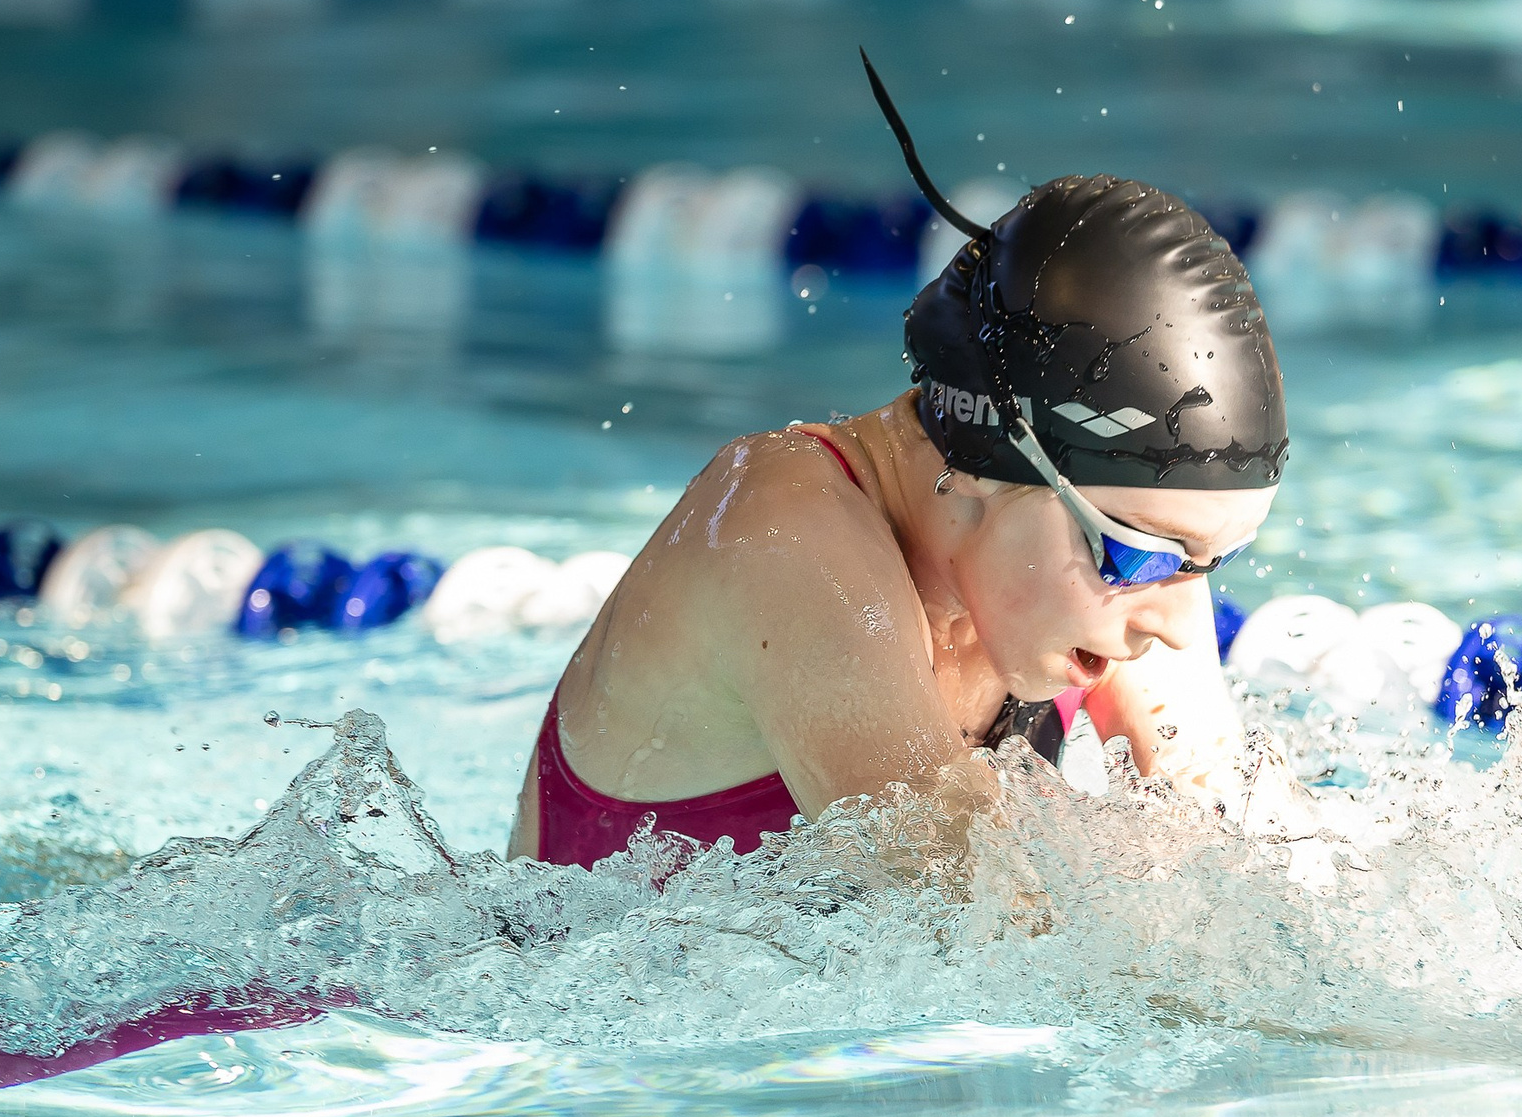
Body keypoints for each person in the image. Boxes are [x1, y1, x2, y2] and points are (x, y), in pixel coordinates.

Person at [510, 58, 1291, 869]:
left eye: (1212, 561)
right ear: (995, 463)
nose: (1170, 618)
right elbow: (974, 909)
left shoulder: (1126, 559)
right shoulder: (781, 531)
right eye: (1138, 554)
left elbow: (1231, 840)